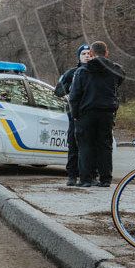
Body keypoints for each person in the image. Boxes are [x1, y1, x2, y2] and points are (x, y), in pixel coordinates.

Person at [68, 40, 124, 188]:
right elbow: (120, 77)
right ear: (107, 53)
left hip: (86, 113)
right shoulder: (115, 70)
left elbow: (74, 96)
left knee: (85, 145)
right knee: (105, 146)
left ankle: (86, 179)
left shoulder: (82, 72)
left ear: (91, 54)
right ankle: (105, 179)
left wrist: (75, 114)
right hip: (107, 113)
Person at [55, 44, 91, 186]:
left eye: (89, 53)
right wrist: (72, 87)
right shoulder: (71, 73)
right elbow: (58, 91)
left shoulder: (97, 72)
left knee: (89, 145)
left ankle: (88, 176)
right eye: (84, 53)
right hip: (74, 113)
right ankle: (72, 175)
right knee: (73, 143)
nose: (87, 56)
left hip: (90, 114)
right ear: (79, 56)